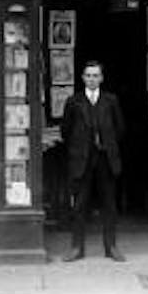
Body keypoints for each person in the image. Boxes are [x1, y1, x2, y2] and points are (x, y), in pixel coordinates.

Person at [61, 60, 126, 262]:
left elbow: (120, 128)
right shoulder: (73, 101)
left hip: (105, 159)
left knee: (109, 204)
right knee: (80, 205)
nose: (92, 79)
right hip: (82, 160)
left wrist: (108, 144)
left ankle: (111, 246)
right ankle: (77, 248)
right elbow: (66, 131)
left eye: (95, 75)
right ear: (82, 78)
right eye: (88, 75)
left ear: (101, 78)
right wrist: (79, 148)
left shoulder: (111, 100)